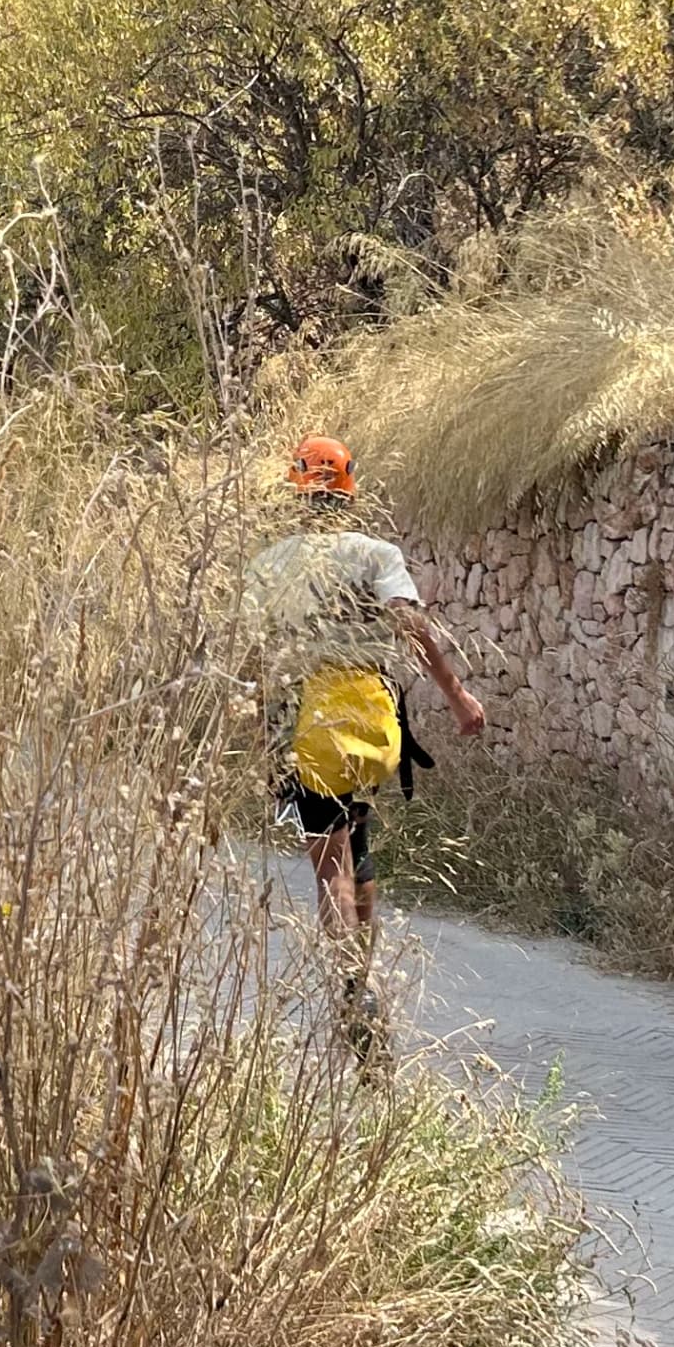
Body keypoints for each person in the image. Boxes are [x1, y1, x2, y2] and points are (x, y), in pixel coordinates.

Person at [247, 438, 488, 1044]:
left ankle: (354, 983)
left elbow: (249, 657)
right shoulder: (377, 553)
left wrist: (257, 737)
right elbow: (411, 626)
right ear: (349, 491)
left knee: (329, 865)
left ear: (296, 493)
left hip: (306, 722)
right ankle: (367, 962)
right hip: (374, 719)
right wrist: (457, 695)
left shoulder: (270, 564)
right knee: (358, 837)